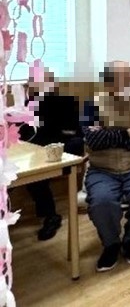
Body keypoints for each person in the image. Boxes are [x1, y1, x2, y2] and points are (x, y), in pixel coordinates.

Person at [81, 61, 130, 272]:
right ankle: (111, 243)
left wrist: (110, 137)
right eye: (124, 79)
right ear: (109, 83)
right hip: (102, 169)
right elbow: (93, 141)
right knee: (101, 200)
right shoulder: (91, 105)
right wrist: (128, 133)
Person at [17, 70, 84, 241]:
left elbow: (73, 132)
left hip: (63, 147)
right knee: (23, 168)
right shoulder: (29, 103)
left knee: (37, 172)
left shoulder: (65, 101)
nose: (31, 86)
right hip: (38, 149)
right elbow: (25, 133)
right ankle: (46, 212)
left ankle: (51, 216)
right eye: (31, 82)